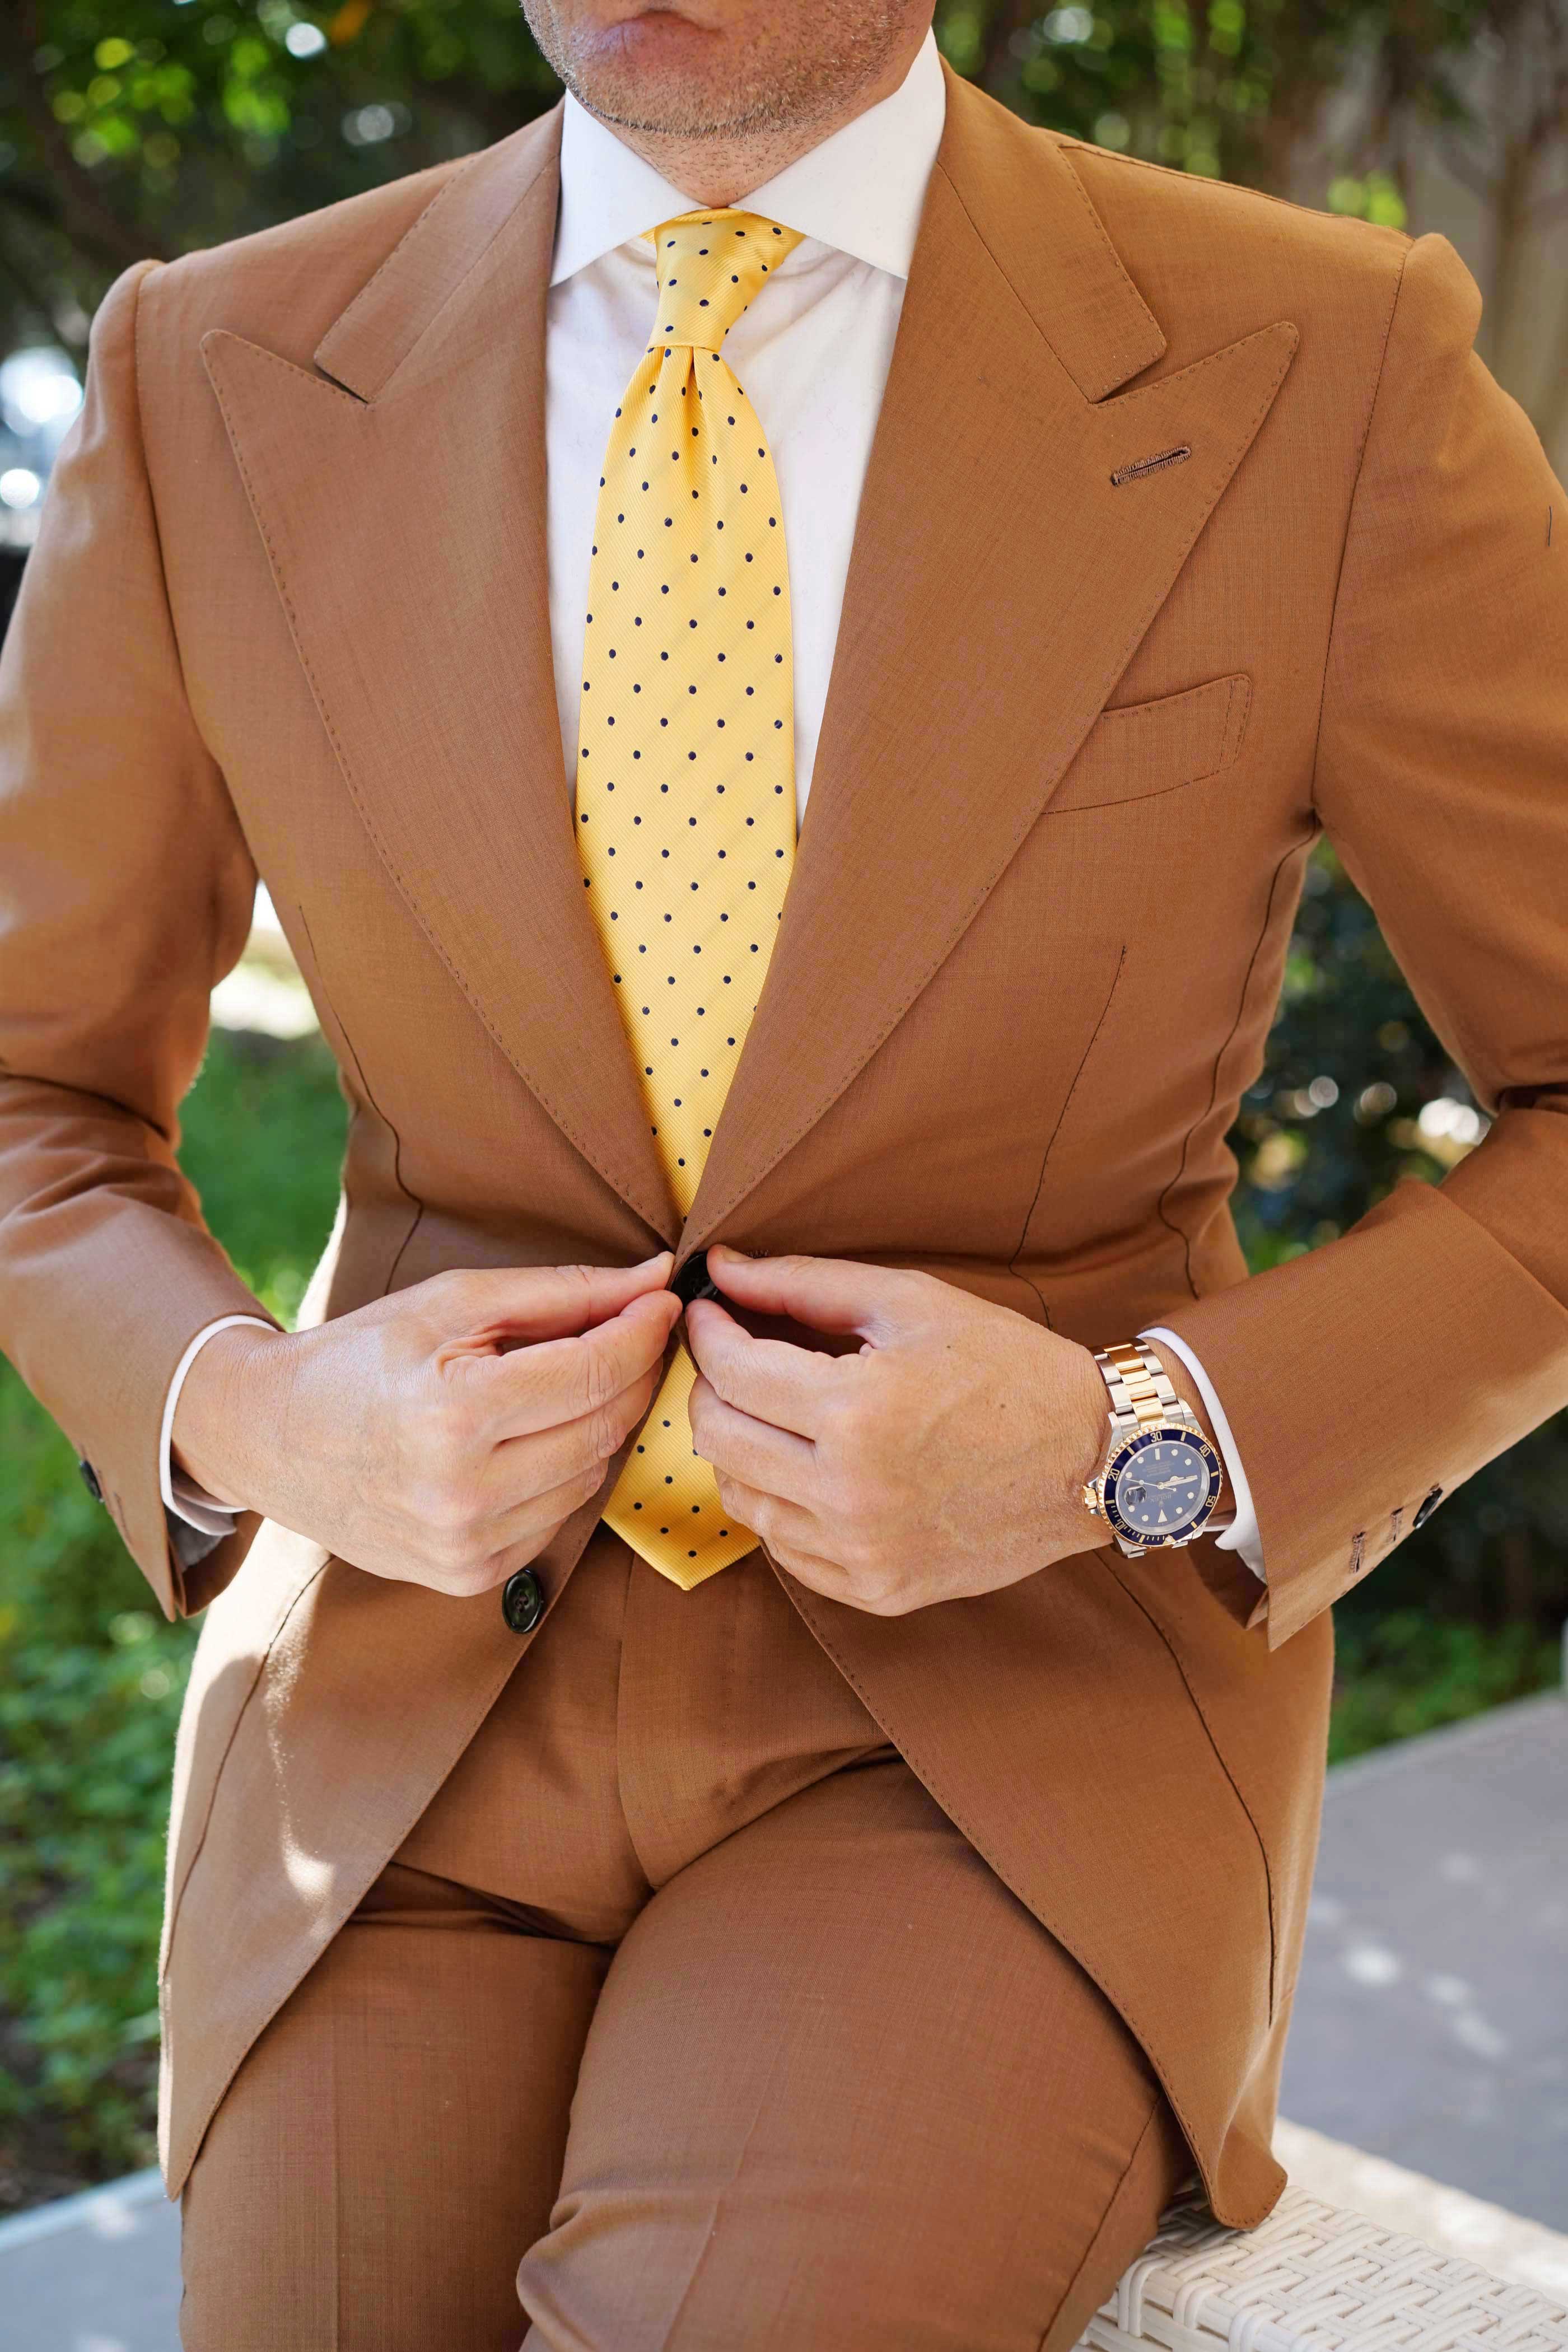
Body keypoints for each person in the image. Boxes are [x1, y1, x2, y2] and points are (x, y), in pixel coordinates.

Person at [1, 0, 1564, 2341]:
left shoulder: (1318, 358)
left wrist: (1138, 1446)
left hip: (1003, 1714)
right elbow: (32, 1093)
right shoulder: (207, 364)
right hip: (401, 1701)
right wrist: (262, 1411)